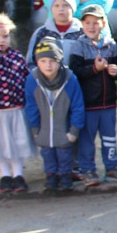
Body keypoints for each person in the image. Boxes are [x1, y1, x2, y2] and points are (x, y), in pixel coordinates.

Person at [68, 4, 117, 186]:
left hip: (108, 103)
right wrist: (95, 68)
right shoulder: (79, 46)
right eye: (87, 23)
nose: (91, 26)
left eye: (96, 23)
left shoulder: (110, 46)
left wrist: (116, 70)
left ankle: (112, 167)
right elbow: (76, 71)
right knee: (87, 139)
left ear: (103, 24)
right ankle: (88, 170)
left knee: (109, 137)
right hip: (88, 103)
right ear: (82, 24)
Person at [0, 13, 35, 193]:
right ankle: (5, 175)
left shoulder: (17, 57)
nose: (1, 40)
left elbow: (26, 79)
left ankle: (18, 174)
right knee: (2, 144)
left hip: (16, 108)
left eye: (5, 36)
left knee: (17, 143)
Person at [25, 37, 86, 191]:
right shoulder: (33, 80)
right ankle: (51, 176)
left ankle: (65, 176)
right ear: (37, 62)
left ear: (59, 61)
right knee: (47, 154)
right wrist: (34, 129)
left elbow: (78, 106)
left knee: (65, 154)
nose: (48, 65)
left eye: (52, 61)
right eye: (43, 61)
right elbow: (31, 106)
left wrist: (74, 130)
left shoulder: (70, 79)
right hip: (44, 129)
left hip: (64, 129)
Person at [26, 0, 84, 68]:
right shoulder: (42, 33)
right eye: (56, 5)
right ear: (51, 8)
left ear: (73, 8)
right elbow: (30, 63)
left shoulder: (82, 32)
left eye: (65, 5)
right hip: (47, 80)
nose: (61, 9)